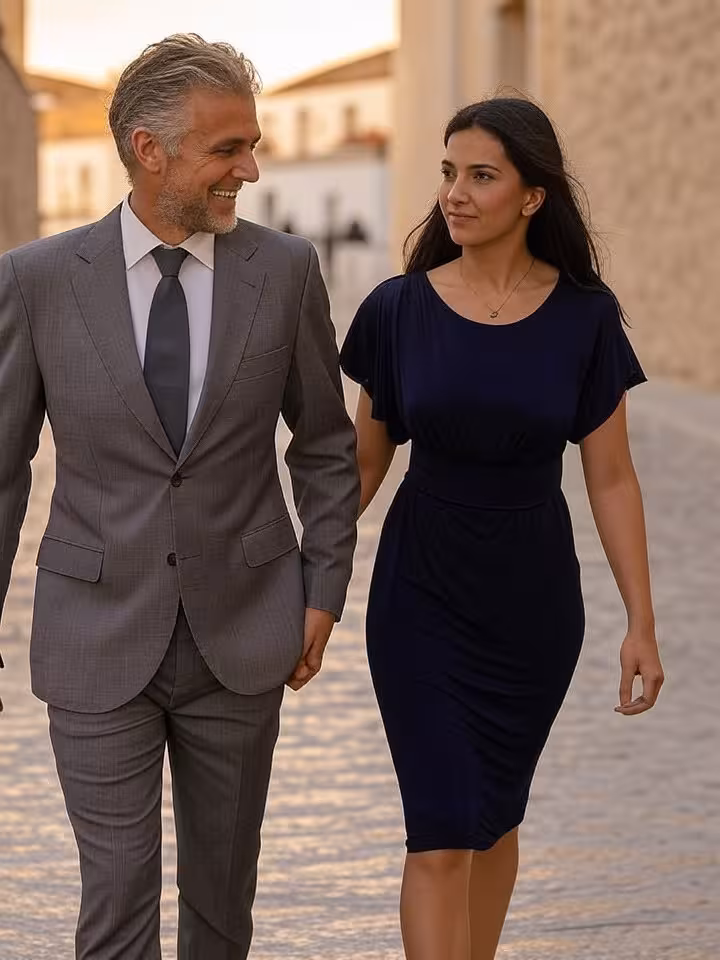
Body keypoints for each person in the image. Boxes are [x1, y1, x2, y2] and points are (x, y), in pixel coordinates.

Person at [0, 33, 359, 960]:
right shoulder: (37, 281)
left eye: (253, 143)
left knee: (219, 907)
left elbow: (323, 444)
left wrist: (322, 591)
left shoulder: (284, 271)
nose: (250, 165)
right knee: (115, 905)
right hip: (91, 634)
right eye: (227, 148)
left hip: (244, 634)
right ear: (146, 148)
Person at [339, 97, 664, 960]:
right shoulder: (397, 309)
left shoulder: (584, 317)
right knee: (440, 828)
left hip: (532, 605)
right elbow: (362, 468)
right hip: (419, 595)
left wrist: (641, 622)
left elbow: (613, 477)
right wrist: (305, 578)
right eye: (449, 172)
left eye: (482, 175)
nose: (456, 193)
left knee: (492, 818)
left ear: (532, 197)